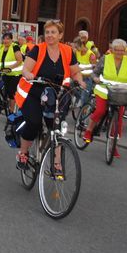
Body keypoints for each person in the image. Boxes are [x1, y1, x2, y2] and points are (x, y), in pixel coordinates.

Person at [15, 20, 85, 170]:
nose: (50, 35)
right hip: (34, 93)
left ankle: (57, 163)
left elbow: (75, 71)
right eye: (47, 32)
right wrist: (29, 75)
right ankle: (23, 152)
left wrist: (79, 81)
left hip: (58, 93)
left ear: (60, 35)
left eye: (53, 32)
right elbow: (25, 69)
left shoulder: (67, 51)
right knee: (33, 123)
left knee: (56, 127)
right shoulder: (37, 49)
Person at [82, 39, 127, 157]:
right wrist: (95, 79)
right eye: (116, 50)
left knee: (118, 120)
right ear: (112, 50)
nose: (119, 52)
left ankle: (113, 145)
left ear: (125, 51)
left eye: (122, 50)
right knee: (100, 111)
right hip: (104, 90)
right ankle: (88, 130)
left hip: (120, 93)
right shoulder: (106, 58)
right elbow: (95, 73)